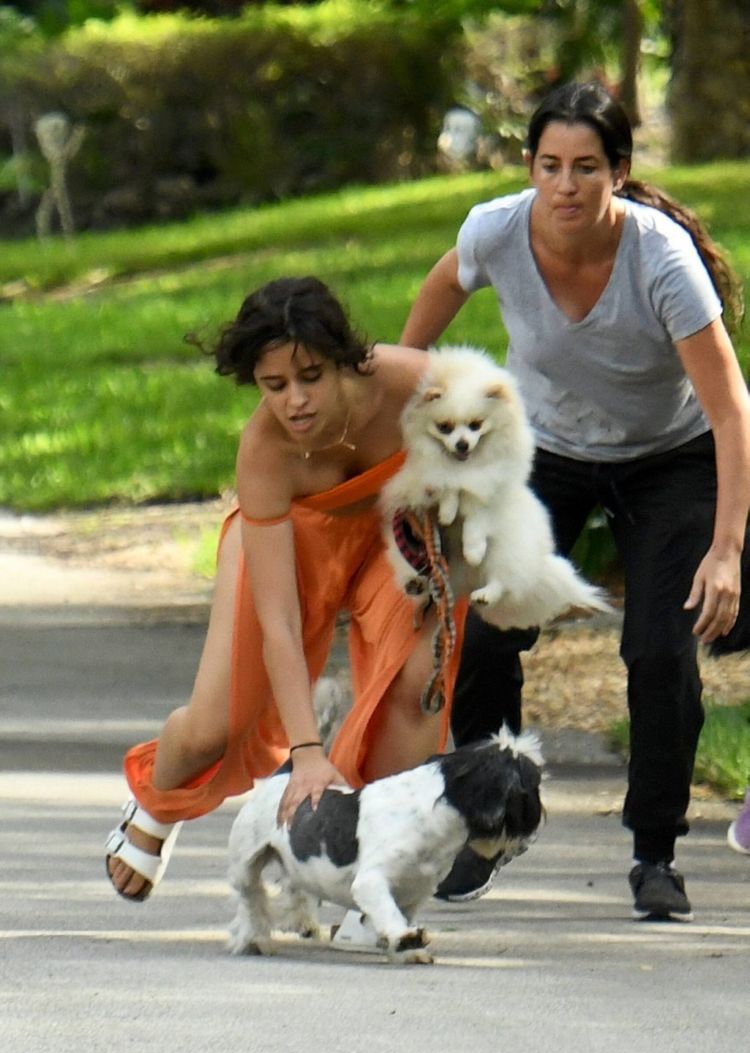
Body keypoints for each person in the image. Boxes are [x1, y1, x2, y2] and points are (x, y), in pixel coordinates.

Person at [400, 80, 750, 920]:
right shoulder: (496, 230)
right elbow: (431, 310)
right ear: (530, 167)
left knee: (660, 651)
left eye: (586, 168)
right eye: (550, 165)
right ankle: (492, 824)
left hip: (669, 458)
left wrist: (728, 548)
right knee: (481, 629)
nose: (566, 185)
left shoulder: (661, 260)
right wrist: (398, 402)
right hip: (545, 448)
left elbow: (730, 407)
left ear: (619, 174)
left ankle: (654, 851)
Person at [105, 275, 466, 907]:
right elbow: (278, 620)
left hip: (396, 536)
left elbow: (497, 459)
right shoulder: (265, 451)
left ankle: (386, 876)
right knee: (217, 727)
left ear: (345, 361)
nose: (295, 401)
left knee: (415, 681)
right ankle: (157, 804)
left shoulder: (419, 384)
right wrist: (306, 753)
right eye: (275, 387)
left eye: (311, 378)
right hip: (294, 546)